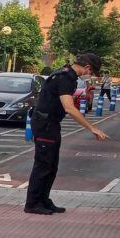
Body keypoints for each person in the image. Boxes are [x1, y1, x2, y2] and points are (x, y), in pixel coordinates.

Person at [24, 52, 110, 215]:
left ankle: (43, 200)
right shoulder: (66, 78)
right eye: (92, 72)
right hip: (45, 124)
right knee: (43, 165)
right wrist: (92, 128)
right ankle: (33, 203)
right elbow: (69, 107)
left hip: (51, 123)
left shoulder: (66, 74)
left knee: (52, 165)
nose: (90, 75)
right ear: (87, 67)